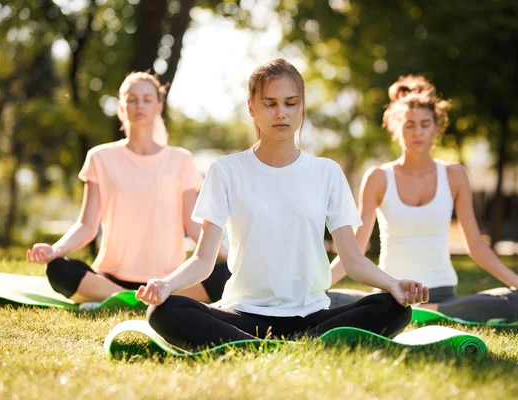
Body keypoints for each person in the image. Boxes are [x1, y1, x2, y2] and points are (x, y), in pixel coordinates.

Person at [136, 59, 429, 350]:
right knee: (163, 311)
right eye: (270, 104)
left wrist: (393, 284)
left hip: (312, 316)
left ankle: (268, 346)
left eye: (290, 103)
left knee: (394, 307)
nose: (281, 113)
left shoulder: (326, 172)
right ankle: (279, 346)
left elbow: (352, 259)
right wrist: (166, 285)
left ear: (301, 107)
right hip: (244, 315)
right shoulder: (225, 171)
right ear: (252, 108)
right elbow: (203, 260)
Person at [328, 75, 518, 322]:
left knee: (517, 302)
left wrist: (517, 282)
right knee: (326, 300)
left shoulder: (454, 175)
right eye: (409, 125)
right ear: (396, 128)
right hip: (390, 293)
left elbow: (475, 244)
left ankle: (425, 312)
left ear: (436, 127)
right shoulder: (378, 177)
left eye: (424, 124)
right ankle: (416, 312)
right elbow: (355, 249)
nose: (417, 132)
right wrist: (315, 287)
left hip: (443, 296)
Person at [26, 71, 230, 307]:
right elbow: (86, 225)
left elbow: (194, 227)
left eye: (146, 99)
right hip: (111, 277)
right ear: (121, 106)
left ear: (158, 106)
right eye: (131, 99)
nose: (139, 105)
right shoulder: (100, 157)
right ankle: (133, 299)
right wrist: (54, 249)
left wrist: (233, 257)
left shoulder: (181, 160)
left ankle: (128, 299)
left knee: (227, 274)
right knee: (59, 269)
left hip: (168, 281)